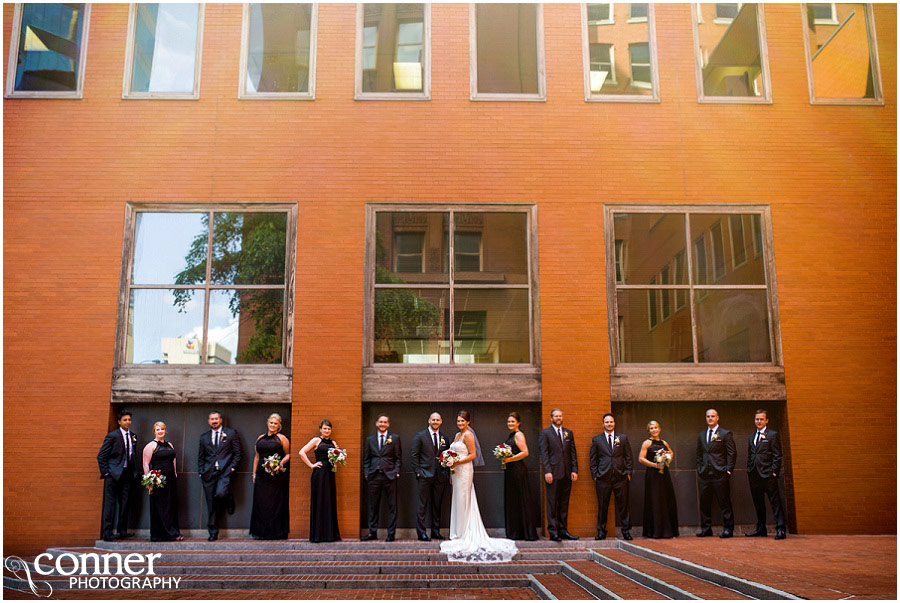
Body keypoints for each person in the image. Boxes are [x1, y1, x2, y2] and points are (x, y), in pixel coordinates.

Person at [440, 410, 517, 562]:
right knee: (457, 500)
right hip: (456, 472)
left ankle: (464, 533)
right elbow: (453, 452)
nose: (460, 423)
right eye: (458, 421)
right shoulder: (456, 435)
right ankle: (457, 533)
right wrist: (450, 467)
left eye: (463, 421)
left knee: (464, 500)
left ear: (468, 422)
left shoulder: (468, 435)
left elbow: (472, 455)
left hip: (465, 471)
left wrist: (456, 462)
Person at [198, 411, 243, 541]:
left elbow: (238, 452)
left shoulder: (231, 433)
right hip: (209, 474)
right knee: (211, 504)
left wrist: (232, 467)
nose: (214, 421)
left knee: (221, 493)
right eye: (212, 419)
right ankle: (212, 531)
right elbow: (200, 457)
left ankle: (228, 496)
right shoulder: (204, 437)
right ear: (208, 421)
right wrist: (201, 471)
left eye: (216, 419)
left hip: (225, 472)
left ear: (221, 420)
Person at [97, 409, 139, 541]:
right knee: (110, 504)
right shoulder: (112, 436)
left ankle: (122, 530)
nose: (128, 422)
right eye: (125, 420)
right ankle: (107, 532)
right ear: (119, 422)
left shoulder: (133, 436)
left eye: (129, 420)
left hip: (126, 475)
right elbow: (101, 456)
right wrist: (106, 472)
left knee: (125, 504)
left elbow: (132, 455)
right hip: (113, 475)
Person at [589, 413, 633, 540]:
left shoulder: (623, 438)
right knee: (603, 506)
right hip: (603, 478)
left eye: (611, 422)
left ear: (614, 423)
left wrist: (628, 473)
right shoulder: (597, 440)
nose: (609, 424)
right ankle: (601, 531)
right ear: (603, 424)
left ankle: (626, 531)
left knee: (624, 506)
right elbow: (593, 459)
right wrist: (595, 475)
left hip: (621, 477)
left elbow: (629, 457)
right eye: (607, 422)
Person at [538, 408, 579, 541]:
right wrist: (547, 471)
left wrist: (574, 470)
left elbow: (573, 453)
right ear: (551, 418)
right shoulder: (545, 433)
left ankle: (563, 530)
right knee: (552, 503)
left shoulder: (568, 433)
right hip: (553, 473)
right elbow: (544, 454)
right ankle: (553, 532)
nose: (558, 418)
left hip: (567, 473)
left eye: (560, 416)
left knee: (564, 503)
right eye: (556, 416)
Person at [695, 408, 736, 538]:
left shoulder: (725, 433)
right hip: (705, 475)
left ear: (717, 417)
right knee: (704, 503)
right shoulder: (701, 435)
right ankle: (706, 529)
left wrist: (728, 470)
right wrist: (700, 468)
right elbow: (699, 454)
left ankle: (728, 529)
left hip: (720, 474)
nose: (710, 418)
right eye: (708, 416)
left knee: (724, 503)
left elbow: (732, 452)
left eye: (713, 416)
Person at [746, 409, 787, 540]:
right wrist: (749, 469)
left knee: (775, 503)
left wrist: (774, 472)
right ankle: (761, 528)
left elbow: (777, 455)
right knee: (759, 504)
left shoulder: (772, 435)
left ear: (766, 421)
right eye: (757, 419)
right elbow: (751, 454)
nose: (759, 421)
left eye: (761, 419)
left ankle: (780, 529)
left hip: (768, 475)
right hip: (754, 475)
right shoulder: (751, 437)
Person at [299, 419, 341, 543]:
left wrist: (338, 459)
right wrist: (311, 465)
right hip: (319, 474)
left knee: (329, 501)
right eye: (325, 428)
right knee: (319, 501)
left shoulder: (334, 443)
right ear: (320, 429)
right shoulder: (316, 440)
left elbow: (337, 459)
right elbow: (301, 452)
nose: (327, 431)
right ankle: (318, 535)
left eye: (329, 429)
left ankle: (329, 534)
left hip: (330, 474)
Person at [249, 413, 290, 540]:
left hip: (276, 476)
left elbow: (288, 455)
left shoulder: (282, 438)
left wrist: (280, 463)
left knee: (274, 503)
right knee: (261, 503)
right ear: (267, 423)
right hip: (261, 476)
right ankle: (261, 532)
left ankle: (275, 532)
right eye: (271, 423)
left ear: (279, 425)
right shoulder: (260, 438)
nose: (273, 425)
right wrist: (254, 473)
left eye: (275, 423)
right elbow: (256, 456)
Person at [410, 412, 450, 541]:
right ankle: (421, 533)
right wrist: (418, 472)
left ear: (441, 421)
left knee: (436, 505)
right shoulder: (420, 436)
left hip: (440, 476)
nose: (435, 422)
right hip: (424, 476)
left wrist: (446, 474)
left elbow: (448, 455)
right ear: (429, 421)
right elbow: (414, 455)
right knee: (422, 506)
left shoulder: (444, 437)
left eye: (437, 420)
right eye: (433, 420)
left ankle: (435, 531)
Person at [362, 414, 402, 541]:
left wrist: (396, 472)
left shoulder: (394, 438)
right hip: (374, 477)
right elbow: (366, 459)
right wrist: (367, 473)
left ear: (388, 424)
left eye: (385, 422)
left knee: (392, 506)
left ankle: (391, 534)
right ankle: (372, 532)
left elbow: (398, 458)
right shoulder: (370, 440)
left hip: (389, 476)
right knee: (373, 506)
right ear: (376, 423)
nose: (383, 424)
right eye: (380, 422)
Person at [141, 422, 183, 542]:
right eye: (158, 429)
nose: (160, 431)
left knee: (171, 506)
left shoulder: (170, 444)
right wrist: (149, 482)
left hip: (170, 480)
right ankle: (162, 534)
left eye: (162, 429)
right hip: (158, 481)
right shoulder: (150, 446)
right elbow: (145, 464)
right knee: (161, 507)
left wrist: (175, 473)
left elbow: (173, 459)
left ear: (165, 431)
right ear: (154, 431)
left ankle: (173, 531)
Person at [501, 412, 539, 541]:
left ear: (518, 423)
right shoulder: (511, 435)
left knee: (520, 499)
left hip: (518, 471)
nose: (510, 424)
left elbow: (525, 452)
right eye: (508, 421)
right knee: (514, 501)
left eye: (512, 421)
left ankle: (525, 532)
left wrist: (510, 459)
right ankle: (515, 532)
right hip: (510, 471)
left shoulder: (518, 435)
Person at [638, 420, 679, 538]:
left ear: (659, 429)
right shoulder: (646, 443)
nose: (654, 430)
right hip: (652, 475)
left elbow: (671, 453)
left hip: (664, 475)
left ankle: (668, 531)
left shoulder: (664, 443)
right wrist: (655, 465)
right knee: (655, 500)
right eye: (651, 428)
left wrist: (667, 460)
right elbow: (641, 458)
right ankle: (655, 531)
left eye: (656, 428)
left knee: (666, 500)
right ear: (648, 431)